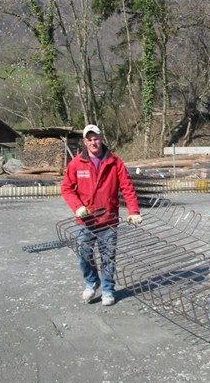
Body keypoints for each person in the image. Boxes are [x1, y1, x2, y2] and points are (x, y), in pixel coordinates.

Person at [62, 124, 142, 306]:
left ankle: (107, 289)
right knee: (84, 254)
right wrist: (77, 207)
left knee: (108, 257)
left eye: (96, 138)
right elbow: (67, 188)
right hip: (85, 220)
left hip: (108, 219)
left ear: (101, 139)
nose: (93, 142)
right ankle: (92, 282)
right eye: (89, 139)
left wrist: (134, 211)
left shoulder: (114, 162)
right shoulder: (76, 163)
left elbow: (127, 187)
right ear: (85, 142)